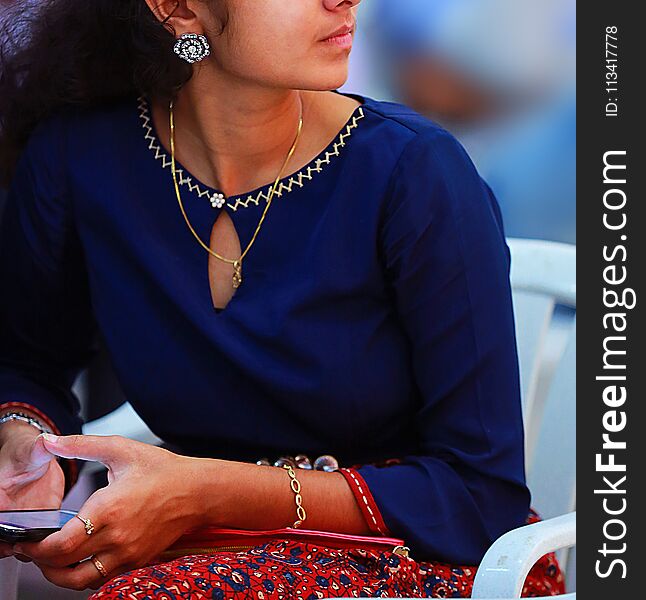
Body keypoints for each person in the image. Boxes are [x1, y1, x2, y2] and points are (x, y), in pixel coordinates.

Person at [0, 0, 565, 597]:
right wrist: (24, 447)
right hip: (193, 545)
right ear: (178, 9)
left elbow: (482, 496)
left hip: (421, 555)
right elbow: (29, 361)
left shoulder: (416, 174)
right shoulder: (81, 157)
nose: (343, 0)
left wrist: (204, 491)